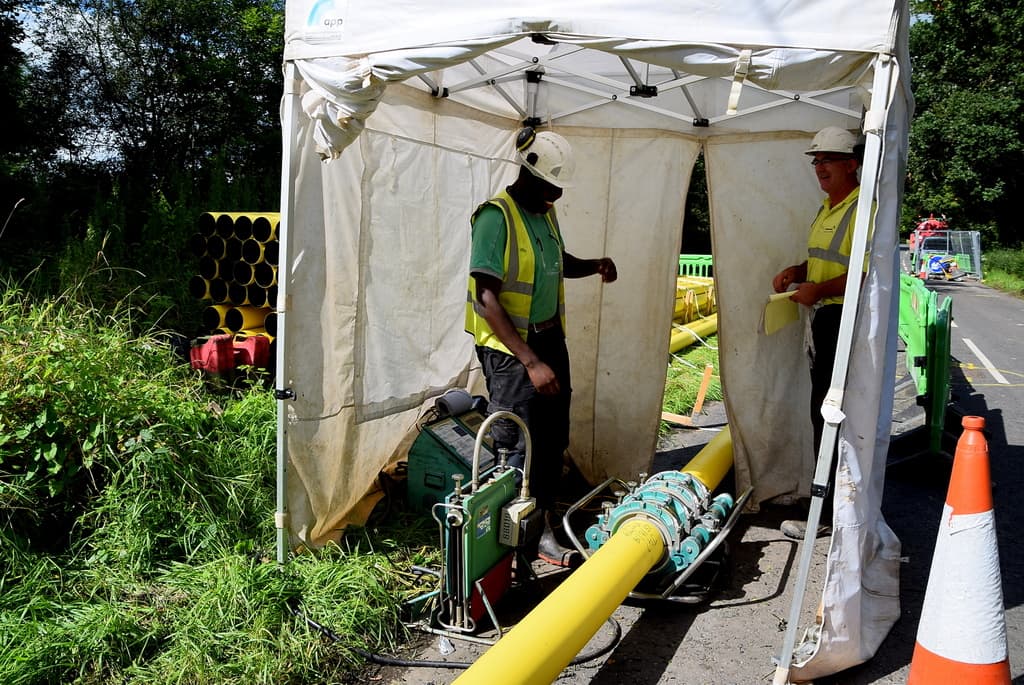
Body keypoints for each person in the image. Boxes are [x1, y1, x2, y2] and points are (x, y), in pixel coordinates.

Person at [465, 127, 617, 567]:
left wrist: (593, 266)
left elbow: (555, 260)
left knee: (552, 440)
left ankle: (540, 528)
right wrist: (530, 361)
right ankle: (507, 547)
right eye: (552, 186)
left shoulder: (544, 212)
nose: (558, 195)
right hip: (513, 351)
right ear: (529, 175)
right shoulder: (496, 217)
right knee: (519, 444)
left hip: (549, 339)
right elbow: (486, 297)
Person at [771, 126, 867, 540]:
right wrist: (799, 272)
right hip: (826, 319)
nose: (819, 168)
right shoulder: (828, 206)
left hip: (844, 319)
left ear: (852, 164)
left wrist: (819, 290)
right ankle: (823, 502)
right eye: (816, 161)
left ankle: (827, 511)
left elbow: (865, 271)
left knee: (830, 414)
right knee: (821, 410)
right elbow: (826, 260)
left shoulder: (866, 208)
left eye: (827, 160)